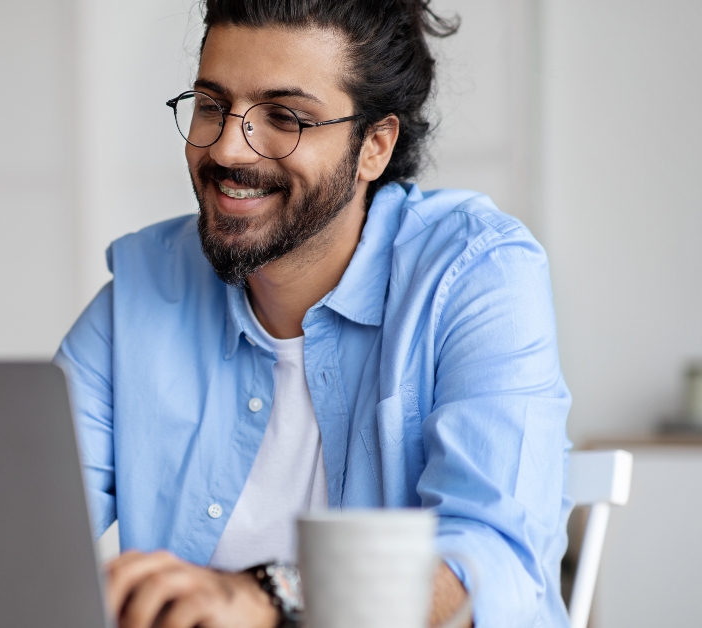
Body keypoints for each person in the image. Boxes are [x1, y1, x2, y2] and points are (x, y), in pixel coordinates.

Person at [54, 0, 572, 627]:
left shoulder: (475, 272)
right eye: (213, 105)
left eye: (286, 117)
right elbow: (19, 530)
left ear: (374, 147)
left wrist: (270, 597)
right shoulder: (144, 292)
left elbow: (492, 561)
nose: (228, 150)